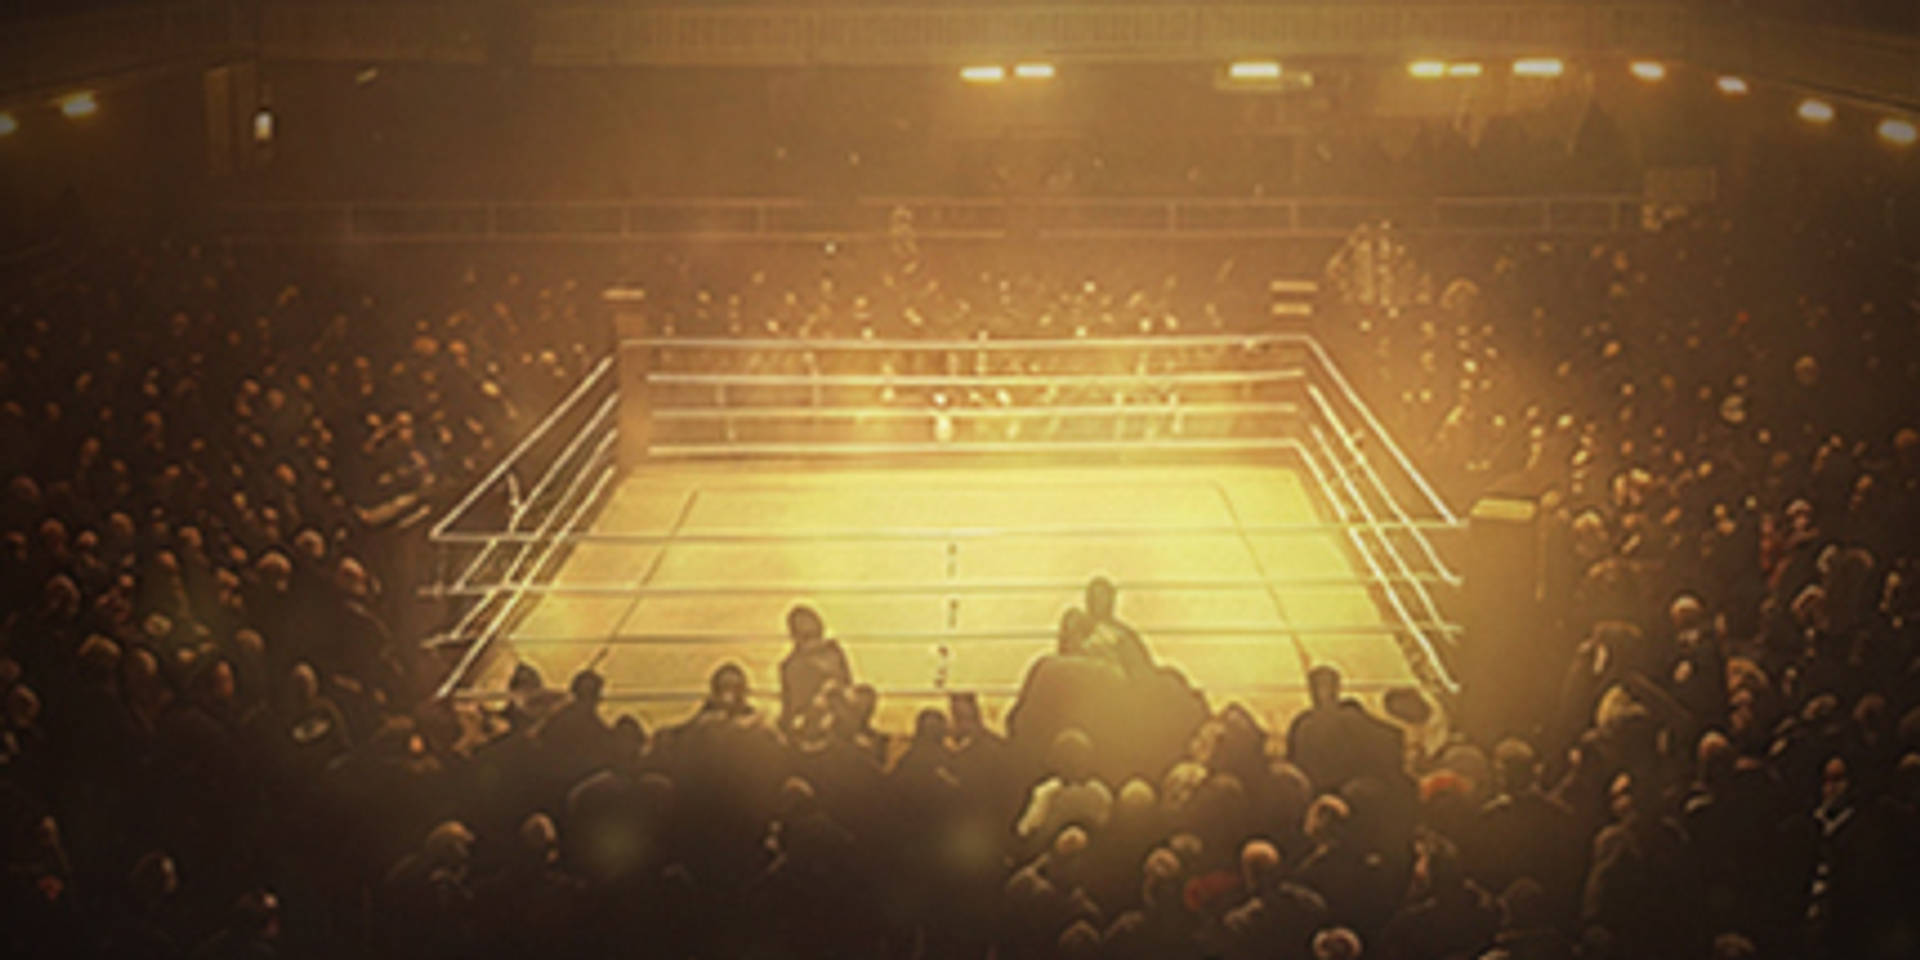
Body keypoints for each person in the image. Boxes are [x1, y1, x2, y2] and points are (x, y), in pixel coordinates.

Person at [778, 604, 852, 731]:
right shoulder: (791, 666)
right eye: (806, 635)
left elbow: (848, 684)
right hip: (809, 722)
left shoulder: (834, 652)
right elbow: (791, 708)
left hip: (840, 714)